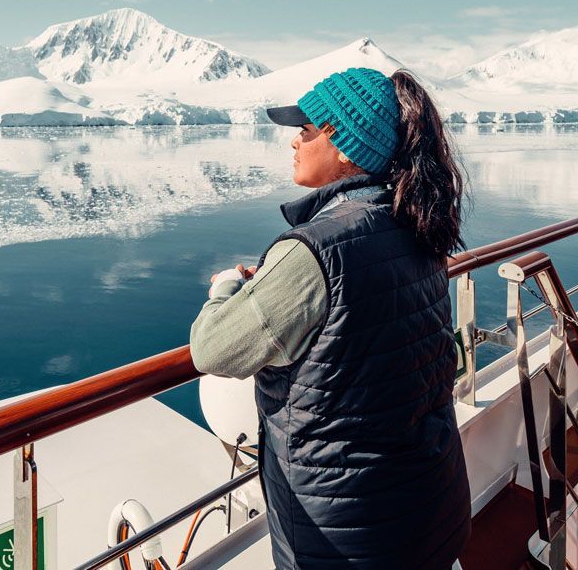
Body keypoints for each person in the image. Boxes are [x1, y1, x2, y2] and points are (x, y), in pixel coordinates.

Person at [189, 66, 471, 569]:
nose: (293, 143)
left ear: (343, 146)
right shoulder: (417, 224)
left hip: (348, 538)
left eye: (305, 130)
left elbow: (212, 348)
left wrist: (228, 288)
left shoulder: (317, 248)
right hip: (428, 502)